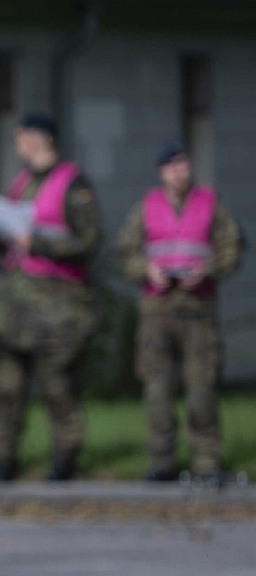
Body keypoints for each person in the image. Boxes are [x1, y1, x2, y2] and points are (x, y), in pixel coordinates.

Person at [0, 111, 102, 481]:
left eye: (21, 137)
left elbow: (88, 241)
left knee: (57, 382)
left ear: (41, 138)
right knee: (6, 384)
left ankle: (65, 458)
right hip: (17, 304)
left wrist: (40, 243)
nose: (17, 145)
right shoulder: (23, 182)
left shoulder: (73, 184)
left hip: (60, 303)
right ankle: (2, 461)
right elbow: (15, 244)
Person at [115, 139, 245, 486]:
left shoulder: (209, 204)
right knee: (157, 389)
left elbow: (233, 245)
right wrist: (146, 270)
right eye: (173, 167)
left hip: (197, 309)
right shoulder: (147, 207)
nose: (180, 172)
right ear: (162, 172)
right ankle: (162, 460)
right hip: (157, 309)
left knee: (202, 387)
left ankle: (206, 460)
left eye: (184, 165)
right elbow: (125, 251)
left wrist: (209, 269)